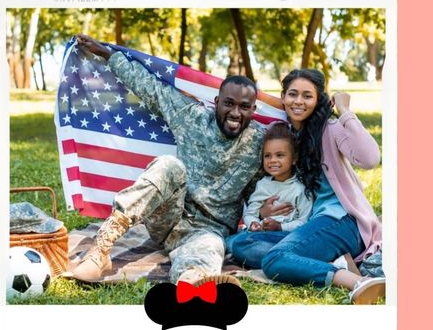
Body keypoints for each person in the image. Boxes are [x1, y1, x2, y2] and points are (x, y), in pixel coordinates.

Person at [72, 35, 290, 285]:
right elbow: (150, 87)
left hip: (209, 229)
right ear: (216, 103)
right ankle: (100, 251)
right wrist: (108, 54)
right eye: (228, 104)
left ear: (254, 111)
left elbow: (261, 189)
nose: (235, 113)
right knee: (169, 165)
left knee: (207, 250)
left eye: (244, 107)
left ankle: (193, 281)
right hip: (167, 216)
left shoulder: (261, 144)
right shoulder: (192, 117)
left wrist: (261, 212)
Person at [228, 69, 385, 304]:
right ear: (283, 97)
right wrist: (262, 213)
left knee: (274, 260)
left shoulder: (329, 129)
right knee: (240, 244)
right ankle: (335, 261)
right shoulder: (284, 135)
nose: (299, 101)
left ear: (318, 99)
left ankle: (356, 281)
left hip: (341, 221)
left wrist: (345, 111)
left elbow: (370, 159)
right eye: (293, 94)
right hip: (307, 223)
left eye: (307, 96)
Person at [241, 122, 311, 233]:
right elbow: (250, 213)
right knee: (237, 242)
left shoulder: (300, 189)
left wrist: (280, 227)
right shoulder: (263, 185)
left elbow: (304, 221)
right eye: (267, 156)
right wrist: (254, 224)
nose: (272, 160)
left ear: (294, 159)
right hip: (260, 234)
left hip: (285, 236)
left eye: (280, 155)